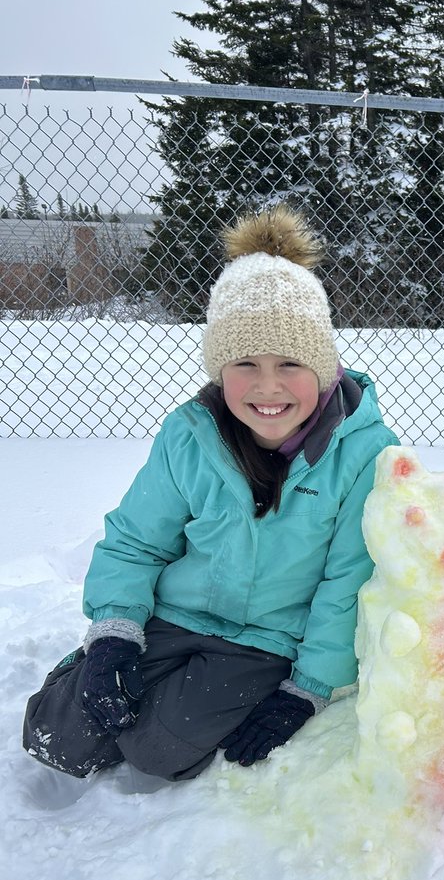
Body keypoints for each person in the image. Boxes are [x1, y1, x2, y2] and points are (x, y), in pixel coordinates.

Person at [23, 205, 398, 781]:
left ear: (323, 368)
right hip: (174, 616)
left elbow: (345, 581)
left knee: (156, 752)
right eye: (245, 363)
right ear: (220, 370)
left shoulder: (363, 455)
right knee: (56, 738)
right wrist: (115, 634)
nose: (268, 387)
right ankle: (88, 670)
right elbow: (136, 541)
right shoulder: (191, 434)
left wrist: (310, 686)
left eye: (290, 364)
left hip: (265, 642)